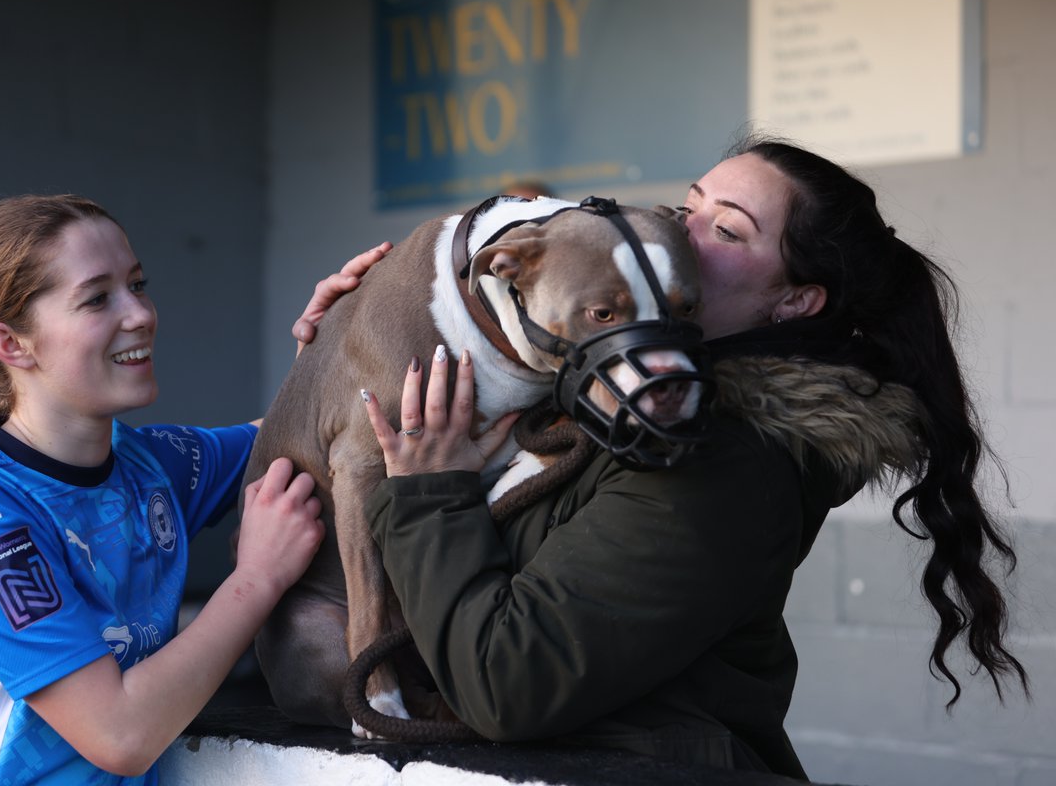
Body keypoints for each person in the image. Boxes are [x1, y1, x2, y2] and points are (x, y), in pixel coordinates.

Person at [354, 136, 1030, 778]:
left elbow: (509, 683)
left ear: (794, 302)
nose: (681, 232)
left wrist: (431, 492)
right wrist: (354, 341)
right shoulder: (616, 395)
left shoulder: (729, 460)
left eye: (727, 230)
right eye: (690, 206)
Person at [0, 193, 387, 784]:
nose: (141, 314)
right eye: (97, 298)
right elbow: (118, 734)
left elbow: (300, 437)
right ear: (10, 344)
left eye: (138, 284)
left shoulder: (149, 464)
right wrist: (258, 577)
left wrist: (329, 348)